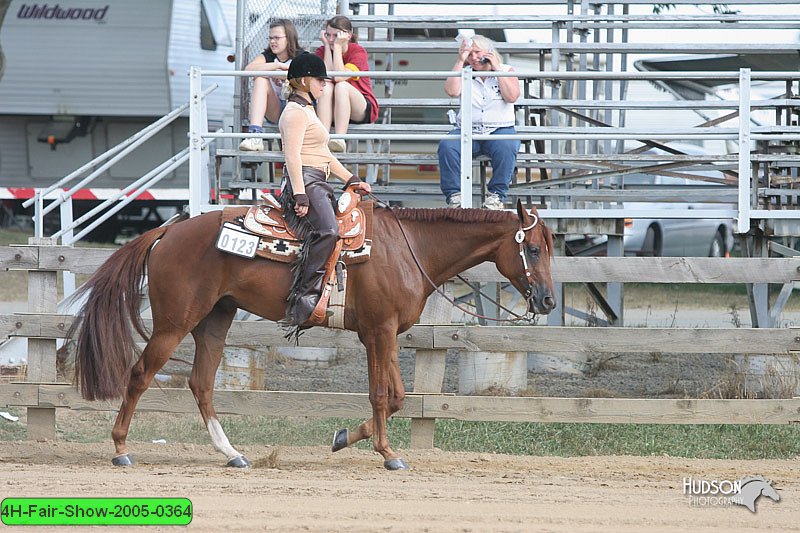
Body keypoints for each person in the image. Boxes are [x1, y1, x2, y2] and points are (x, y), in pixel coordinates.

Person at [278, 52, 372, 328]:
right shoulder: (294, 113)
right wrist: (299, 194)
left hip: (318, 180)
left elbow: (324, 154)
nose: (324, 85)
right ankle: (304, 300)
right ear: (305, 80)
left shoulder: (308, 110)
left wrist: (350, 179)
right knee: (328, 231)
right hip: (306, 182)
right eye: (320, 80)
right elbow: (292, 157)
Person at [438, 34, 521, 210]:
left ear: (488, 52)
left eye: (476, 52)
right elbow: (452, 91)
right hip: (468, 129)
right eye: (469, 54)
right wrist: (461, 60)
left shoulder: (506, 70)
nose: (473, 58)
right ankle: (455, 196)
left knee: (507, 146)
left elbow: (511, 96)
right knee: (447, 145)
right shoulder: (464, 71)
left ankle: (496, 196)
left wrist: (496, 68)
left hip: (499, 128)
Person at [314, 15, 379, 153]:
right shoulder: (322, 50)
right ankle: (323, 139)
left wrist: (337, 47)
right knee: (326, 87)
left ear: (347, 35)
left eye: (336, 36)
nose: (331, 39)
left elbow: (338, 77)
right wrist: (327, 46)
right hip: (333, 109)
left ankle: (339, 138)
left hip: (359, 108)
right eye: (328, 35)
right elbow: (326, 77)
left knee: (341, 86)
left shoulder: (357, 51)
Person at [239, 19, 305, 151]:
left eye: (277, 38)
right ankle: (255, 136)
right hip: (275, 109)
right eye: (270, 38)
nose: (272, 42)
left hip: (295, 109)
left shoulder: (302, 56)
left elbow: (304, 79)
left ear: (289, 38)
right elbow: (248, 70)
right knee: (260, 79)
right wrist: (277, 66)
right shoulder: (268, 57)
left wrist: (280, 74)